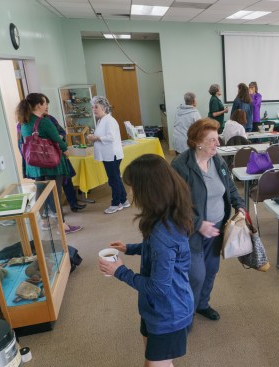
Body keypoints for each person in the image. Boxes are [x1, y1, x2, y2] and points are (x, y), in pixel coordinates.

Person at [98, 154, 194, 367]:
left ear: (149, 191)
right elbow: (160, 253)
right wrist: (129, 248)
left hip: (168, 313)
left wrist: (119, 271)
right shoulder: (165, 217)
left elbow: (159, 287)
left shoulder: (163, 234)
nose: (130, 193)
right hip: (157, 308)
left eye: (133, 187)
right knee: (156, 359)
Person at [171, 118, 245, 322]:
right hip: (191, 232)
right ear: (198, 142)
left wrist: (239, 204)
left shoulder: (217, 160)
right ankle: (187, 313)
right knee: (196, 275)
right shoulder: (180, 166)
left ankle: (202, 304)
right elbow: (174, 204)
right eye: (212, 140)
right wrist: (198, 224)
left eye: (217, 139)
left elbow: (229, 187)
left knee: (211, 270)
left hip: (217, 229)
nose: (218, 143)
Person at [16, 93, 82, 234]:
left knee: (40, 191)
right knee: (55, 193)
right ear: (39, 105)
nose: (46, 106)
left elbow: (22, 142)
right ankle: (62, 226)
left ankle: (45, 221)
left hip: (34, 164)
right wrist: (65, 150)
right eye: (45, 103)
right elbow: (57, 140)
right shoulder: (44, 122)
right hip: (50, 163)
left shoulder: (23, 122)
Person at [40, 94, 86, 213]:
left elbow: (61, 132)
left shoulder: (50, 118)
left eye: (47, 104)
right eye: (45, 104)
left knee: (67, 179)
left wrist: (60, 137)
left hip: (59, 155)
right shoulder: (27, 123)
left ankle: (73, 203)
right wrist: (57, 140)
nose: (47, 107)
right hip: (47, 159)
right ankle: (55, 213)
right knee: (52, 187)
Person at [87, 96, 130, 214]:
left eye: (96, 107)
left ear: (104, 108)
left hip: (112, 155)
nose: (94, 109)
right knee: (115, 177)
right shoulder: (102, 120)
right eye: (92, 107)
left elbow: (110, 137)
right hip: (108, 154)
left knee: (113, 179)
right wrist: (95, 137)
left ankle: (116, 203)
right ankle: (124, 200)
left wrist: (96, 138)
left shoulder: (109, 120)